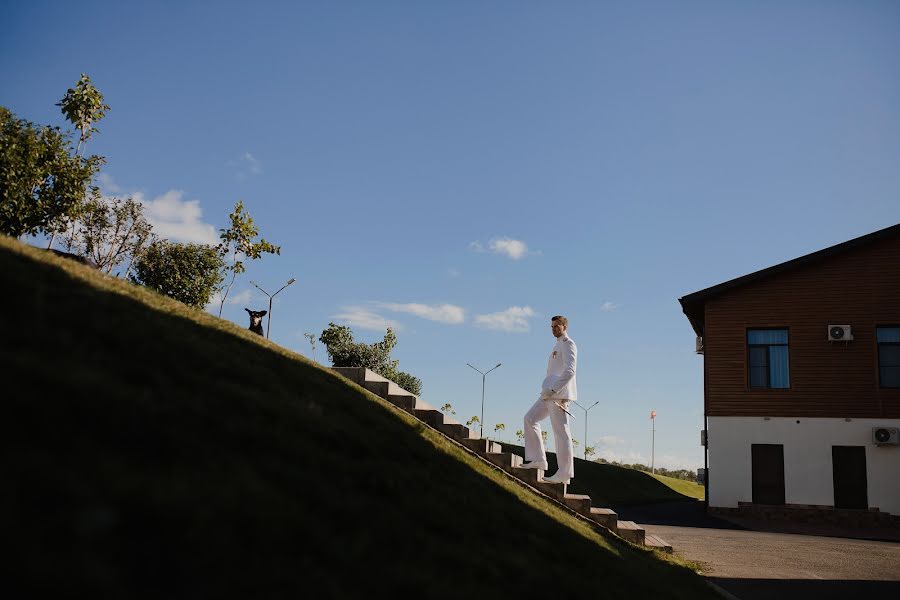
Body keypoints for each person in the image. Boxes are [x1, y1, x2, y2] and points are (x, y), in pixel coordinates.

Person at [521, 315, 577, 484]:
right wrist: (547, 390)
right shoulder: (556, 345)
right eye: (552, 326)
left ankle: (564, 473)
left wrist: (553, 389)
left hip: (558, 395)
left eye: (557, 326)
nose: (553, 329)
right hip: (548, 394)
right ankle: (538, 459)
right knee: (530, 418)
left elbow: (570, 371)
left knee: (561, 433)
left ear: (564, 326)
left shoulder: (569, 344)